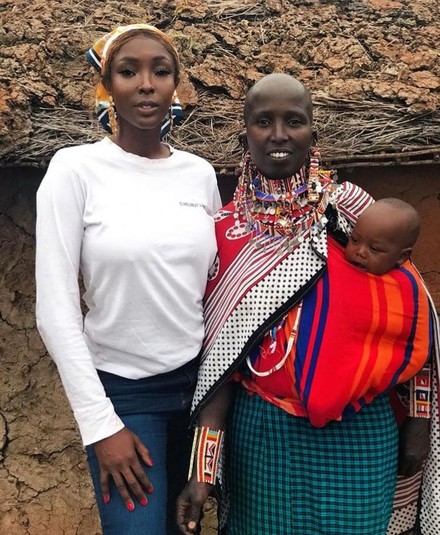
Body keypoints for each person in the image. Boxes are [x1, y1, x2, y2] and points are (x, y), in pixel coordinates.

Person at [176, 74, 440, 535]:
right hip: (262, 434)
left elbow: (410, 317)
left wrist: (419, 421)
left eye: (294, 121)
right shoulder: (224, 231)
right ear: (245, 134)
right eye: (264, 122)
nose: (279, 134)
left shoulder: (353, 212)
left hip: (359, 430)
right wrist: (202, 470)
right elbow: (219, 365)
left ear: (312, 133)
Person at [35, 24, 222, 535]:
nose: (145, 84)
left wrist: (214, 418)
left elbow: (216, 286)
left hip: (199, 391)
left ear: (174, 86)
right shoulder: (75, 170)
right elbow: (54, 311)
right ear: (108, 86)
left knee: (186, 528)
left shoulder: (199, 174)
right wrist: (101, 426)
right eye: (127, 71)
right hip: (124, 395)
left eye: (160, 72)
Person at [344, 197, 420, 275]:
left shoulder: (403, 281)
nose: (360, 252)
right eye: (355, 240)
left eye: (374, 248)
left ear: (402, 256)